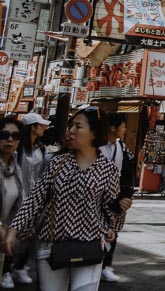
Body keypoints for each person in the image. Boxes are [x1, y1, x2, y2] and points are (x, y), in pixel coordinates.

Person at [3, 107, 123, 291]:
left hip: (89, 247)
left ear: (93, 132)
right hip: (51, 247)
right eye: (70, 126)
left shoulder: (108, 170)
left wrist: (119, 212)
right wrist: (13, 229)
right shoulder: (57, 163)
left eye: (78, 126)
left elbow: (112, 214)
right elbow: (35, 199)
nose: (71, 131)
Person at [12, 112, 50, 285]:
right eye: (40, 125)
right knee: (12, 236)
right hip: (16, 199)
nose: (44, 127)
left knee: (30, 237)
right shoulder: (18, 149)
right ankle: (6, 269)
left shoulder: (42, 149)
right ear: (32, 128)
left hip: (35, 201)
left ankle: (20, 267)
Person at [97, 113, 135, 284]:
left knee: (113, 230)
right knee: (100, 230)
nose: (125, 129)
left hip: (116, 195)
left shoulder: (121, 147)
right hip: (97, 195)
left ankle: (106, 265)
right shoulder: (98, 147)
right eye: (122, 126)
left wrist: (125, 195)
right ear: (113, 128)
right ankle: (97, 262)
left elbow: (126, 173)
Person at [0, 117, 24, 289]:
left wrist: (12, 231)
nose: (10, 140)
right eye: (5, 135)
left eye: (15, 136)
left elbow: (21, 203)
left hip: (4, 236)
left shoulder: (16, 169)